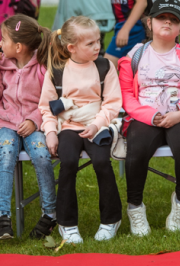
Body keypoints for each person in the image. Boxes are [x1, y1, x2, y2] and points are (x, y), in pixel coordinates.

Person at [118, 0, 180, 235]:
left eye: (173, 20)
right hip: (146, 117)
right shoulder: (134, 56)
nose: (167, 23)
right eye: (161, 18)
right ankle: (135, 208)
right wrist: (149, 116)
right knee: (136, 151)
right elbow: (125, 95)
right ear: (149, 22)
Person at [39, 16, 123, 244]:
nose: (97, 46)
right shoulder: (56, 71)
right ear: (71, 48)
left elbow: (113, 102)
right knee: (67, 164)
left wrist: (97, 124)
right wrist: (50, 133)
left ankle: (111, 220)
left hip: (98, 126)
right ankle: (67, 224)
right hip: (68, 128)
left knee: (101, 163)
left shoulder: (105, 66)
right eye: (90, 44)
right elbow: (46, 108)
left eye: (98, 41)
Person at [0, 15, 57, 241]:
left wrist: (34, 120)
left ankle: (50, 214)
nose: (0, 44)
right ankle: (2, 217)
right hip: (6, 124)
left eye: (3, 39)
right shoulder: (2, 66)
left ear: (19, 47)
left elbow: (51, 101)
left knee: (42, 156)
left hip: (36, 125)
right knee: (6, 155)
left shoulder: (43, 67)